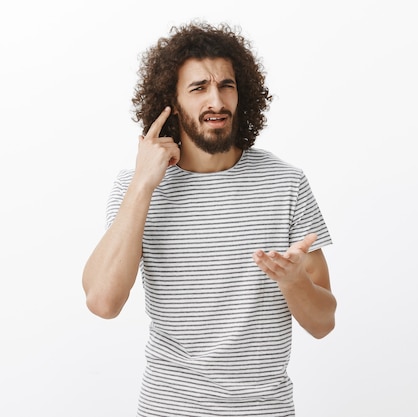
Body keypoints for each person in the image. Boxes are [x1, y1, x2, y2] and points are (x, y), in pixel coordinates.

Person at [82, 21, 336, 417]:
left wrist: (292, 280)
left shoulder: (286, 184)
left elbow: (323, 323)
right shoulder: (137, 189)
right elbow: (102, 301)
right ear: (172, 102)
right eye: (198, 88)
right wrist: (144, 184)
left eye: (226, 85)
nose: (216, 101)